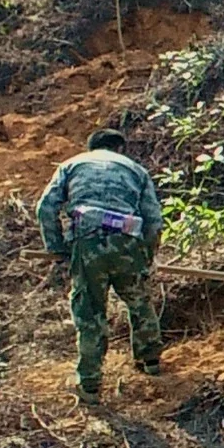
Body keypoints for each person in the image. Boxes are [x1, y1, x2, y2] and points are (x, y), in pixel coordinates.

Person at [35, 127, 166, 399]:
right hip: (127, 242)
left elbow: (45, 207)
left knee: (90, 312)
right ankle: (150, 361)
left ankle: (90, 385)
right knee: (139, 300)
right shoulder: (136, 170)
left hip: (88, 242)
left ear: (91, 147)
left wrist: (57, 248)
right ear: (119, 148)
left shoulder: (71, 165)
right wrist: (147, 257)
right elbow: (153, 221)